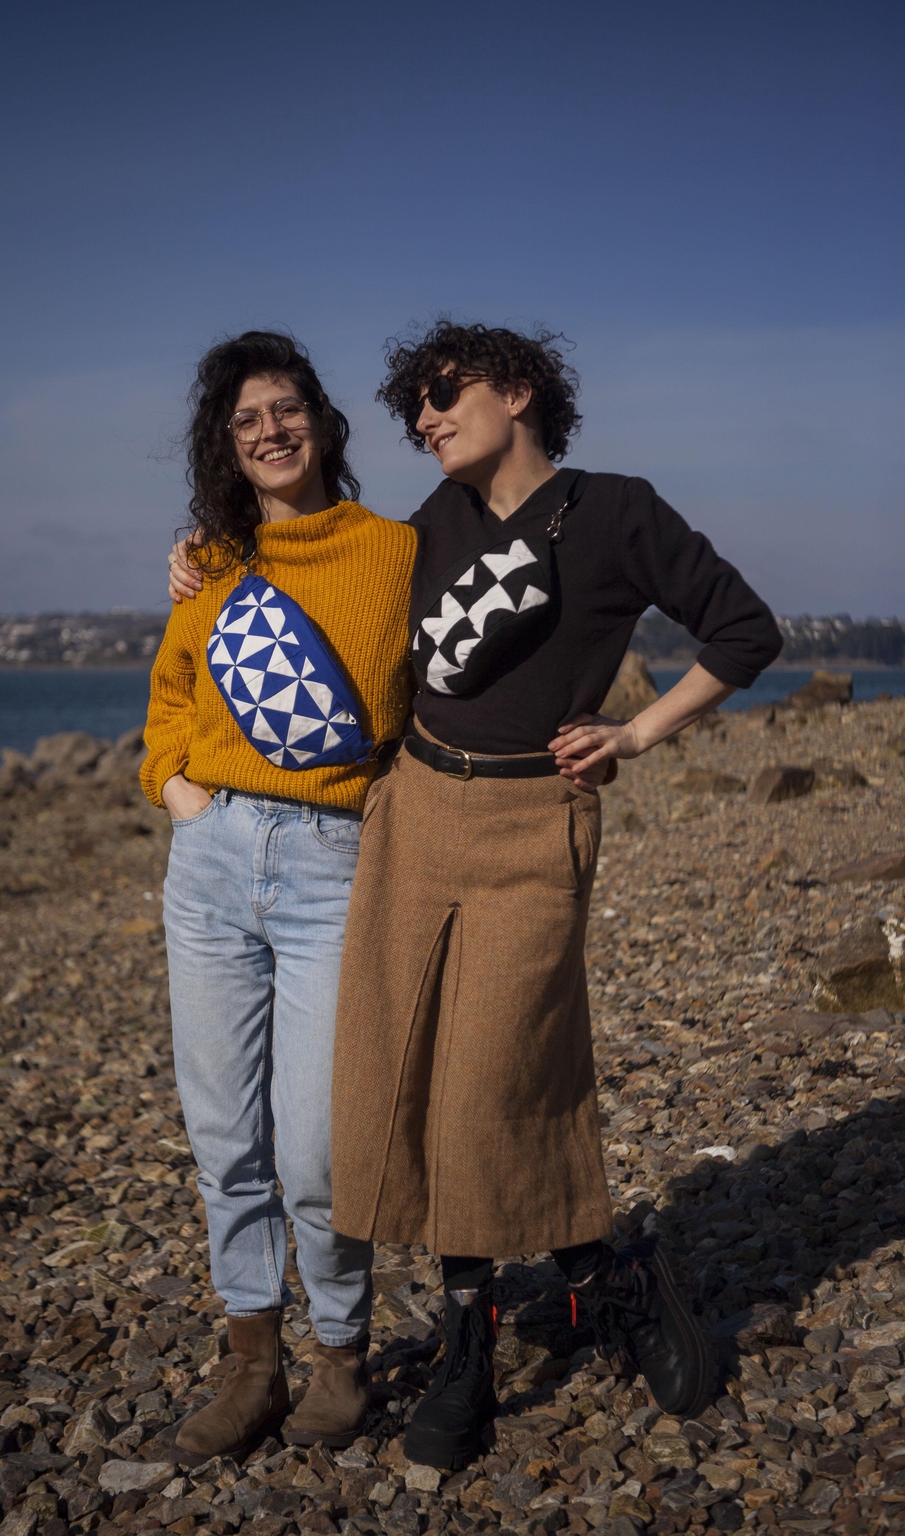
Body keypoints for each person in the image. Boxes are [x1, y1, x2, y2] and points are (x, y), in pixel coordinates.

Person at [167, 320, 784, 1469]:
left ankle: (606, 1270)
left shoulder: (615, 511)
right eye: (414, 407)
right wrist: (210, 564)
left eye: (445, 396)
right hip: (411, 816)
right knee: (419, 1076)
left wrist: (635, 731)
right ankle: (468, 1334)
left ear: (518, 391)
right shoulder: (430, 529)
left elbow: (746, 630)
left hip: (527, 824)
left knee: (495, 1075)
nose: (425, 420)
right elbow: (336, 628)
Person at [143, 330, 415, 1462]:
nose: (270, 429)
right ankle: (251, 1361)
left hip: (328, 866)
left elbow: (458, 678)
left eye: (287, 408)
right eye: (246, 419)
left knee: (316, 1147)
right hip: (209, 864)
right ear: (227, 444)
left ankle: (341, 1359)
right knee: (223, 1136)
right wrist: (174, 789)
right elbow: (170, 696)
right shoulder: (213, 564)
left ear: (322, 421)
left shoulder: (397, 551)